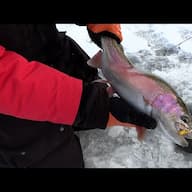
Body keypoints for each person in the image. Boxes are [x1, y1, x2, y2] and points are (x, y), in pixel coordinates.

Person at [0, 24, 157, 168]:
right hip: (8, 95)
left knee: (90, 85)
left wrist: (103, 27)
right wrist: (86, 104)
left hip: (43, 42)